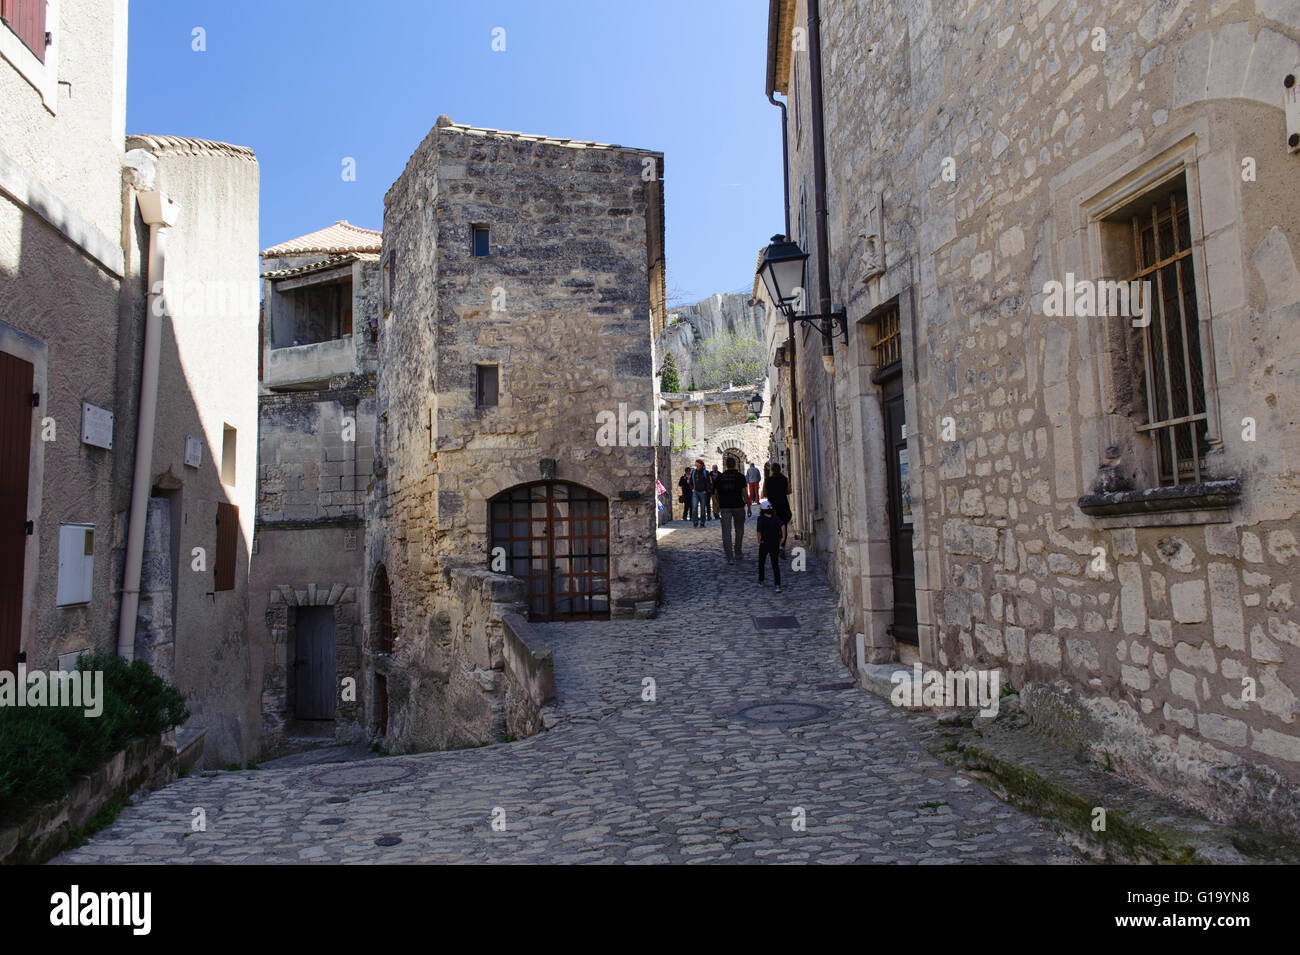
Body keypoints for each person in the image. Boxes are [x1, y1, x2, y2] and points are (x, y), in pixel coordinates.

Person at [712, 456, 749, 561]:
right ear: (735, 465)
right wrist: (749, 506)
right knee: (739, 530)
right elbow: (745, 493)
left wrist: (717, 506)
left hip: (725, 507)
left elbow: (715, 494)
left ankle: (729, 556)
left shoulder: (720, 477)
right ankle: (737, 551)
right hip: (738, 506)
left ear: (726, 465)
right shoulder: (740, 477)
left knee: (726, 532)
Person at [763, 462, 792, 558]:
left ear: (771, 470)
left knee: (774, 528)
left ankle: (775, 546)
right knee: (784, 527)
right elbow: (789, 491)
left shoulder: (768, 480)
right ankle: (782, 547)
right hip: (783, 505)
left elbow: (764, 493)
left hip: (772, 507)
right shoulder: (784, 479)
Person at [756, 499, 782, 591]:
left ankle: (761, 580)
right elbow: (782, 526)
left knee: (761, 562)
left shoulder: (761, 519)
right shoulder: (776, 518)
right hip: (774, 543)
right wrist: (782, 538)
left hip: (764, 543)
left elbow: (759, 531)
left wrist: (759, 540)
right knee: (775, 564)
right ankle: (777, 585)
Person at [689, 459, 713, 527]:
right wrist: (692, 488)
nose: (697, 466)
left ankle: (702, 522)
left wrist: (707, 490)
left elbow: (709, 483)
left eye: (698, 465)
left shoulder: (706, 472)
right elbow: (690, 482)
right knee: (694, 508)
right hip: (695, 492)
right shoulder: (693, 472)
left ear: (701, 465)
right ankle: (695, 522)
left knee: (703, 508)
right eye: (696, 465)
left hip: (703, 492)